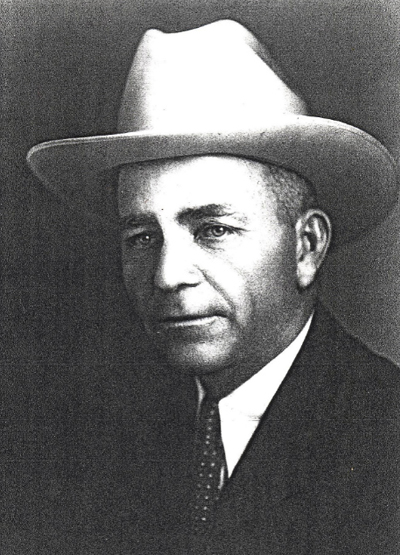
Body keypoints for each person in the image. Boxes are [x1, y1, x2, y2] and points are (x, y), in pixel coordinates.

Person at [27, 19, 400, 555]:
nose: (166, 274)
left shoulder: (384, 440)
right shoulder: (85, 435)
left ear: (307, 246)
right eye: (141, 235)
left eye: (212, 230)